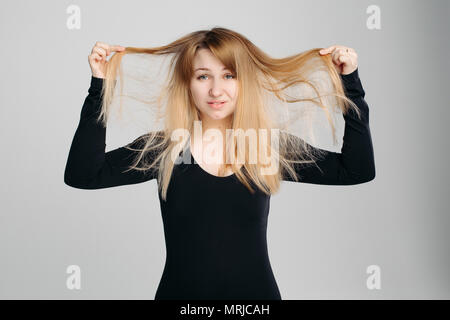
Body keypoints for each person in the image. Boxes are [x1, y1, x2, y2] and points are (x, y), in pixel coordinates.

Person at [64, 27, 375, 300]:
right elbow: (83, 175)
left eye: (229, 75)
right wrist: (98, 86)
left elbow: (356, 170)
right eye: (203, 76)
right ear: (188, 83)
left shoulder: (267, 147)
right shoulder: (165, 148)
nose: (216, 90)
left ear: (244, 82)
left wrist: (350, 83)